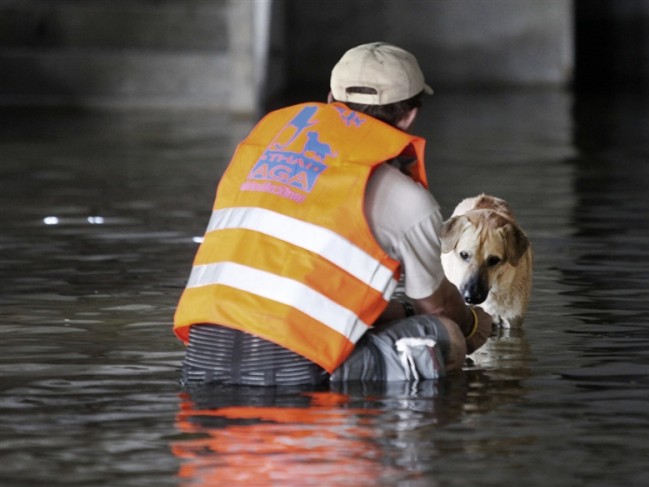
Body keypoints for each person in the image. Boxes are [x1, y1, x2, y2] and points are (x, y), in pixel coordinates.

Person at [173, 42, 492, 386]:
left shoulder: (255, 159)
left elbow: (307, 294)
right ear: (409, 115)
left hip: (201, 362)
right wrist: (474, 322)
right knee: (446, 337)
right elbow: (439, 309)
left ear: (330, 100)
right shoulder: (407, 199)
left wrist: (404, 311)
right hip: (290, 374)